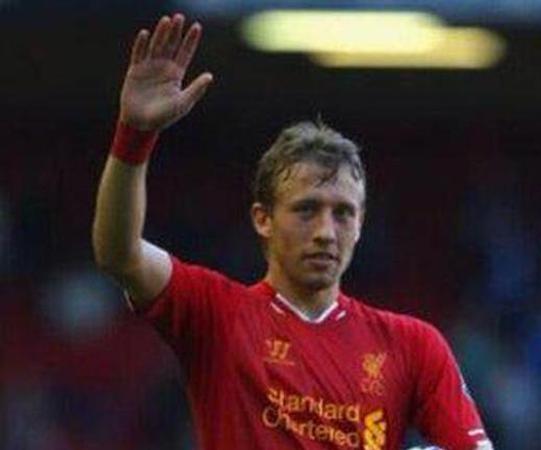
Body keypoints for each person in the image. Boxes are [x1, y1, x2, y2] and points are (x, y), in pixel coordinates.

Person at [92, 13, 492, 450]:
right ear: (262, 219)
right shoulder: (218, 316)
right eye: (306, 210)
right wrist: (134, 135)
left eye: (343, 213)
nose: (325, 231)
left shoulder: (413, 346)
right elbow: (120, 254)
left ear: (360, 224)